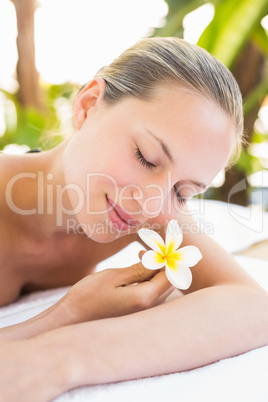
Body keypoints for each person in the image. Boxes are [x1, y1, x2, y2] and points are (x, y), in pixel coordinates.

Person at [0, 37, 267, 401]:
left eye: (183, 192)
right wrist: (68, 313)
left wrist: (57, 359)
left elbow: (252, 308)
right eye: (146, 157)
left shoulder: (148, 217)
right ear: (89, 104)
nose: (152, 204)